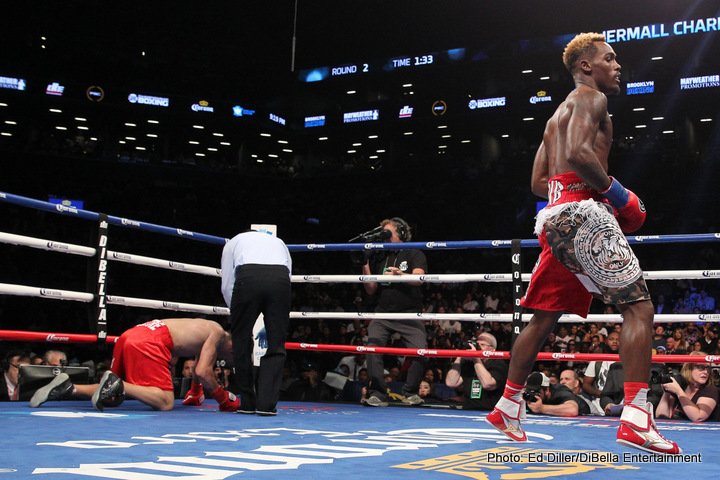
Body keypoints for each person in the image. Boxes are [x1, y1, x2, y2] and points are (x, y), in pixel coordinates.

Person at [486, 32, 681, 454]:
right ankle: (636, 415)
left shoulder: (555, 115)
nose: (618, 66)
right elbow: (578, 154)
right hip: (582, 214)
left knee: (544, 317)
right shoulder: (591, 99)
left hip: (554, 220)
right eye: (610, 59)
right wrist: (618, 195)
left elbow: (540, 183)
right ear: (586, 66)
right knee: (639, 307)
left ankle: (508, 402)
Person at [29, 318, 237, 412]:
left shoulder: (202, 329)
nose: (231, 360)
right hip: (151, 342)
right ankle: (120, 384)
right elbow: (203, 371)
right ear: (233, 345)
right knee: (165, 402)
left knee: (112, 392)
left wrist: (194, 393)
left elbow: (199, 366)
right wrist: (224, 399)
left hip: (131, 335)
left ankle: (68, 387)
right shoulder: (217, 333)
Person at [221, 229, 292, 416]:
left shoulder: (233, 241)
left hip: (248, 277)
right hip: (280, 279)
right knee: (276, 343)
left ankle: (247, 402)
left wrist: (235, 311)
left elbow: (227, 282)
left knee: (241, 340)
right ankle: (267, 405)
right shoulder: (279, 242)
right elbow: (288, 274)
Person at [359, 217, 428, 407]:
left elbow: (419, 279)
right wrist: (364, 263)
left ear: (402, 234)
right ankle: (378, 393)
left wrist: (400, 276)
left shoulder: (414, 252)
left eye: (389, 234)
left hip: (409, 313)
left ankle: (410, 393)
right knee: (372, 348)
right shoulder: (380, 255)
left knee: (420, 351)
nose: (385, 238)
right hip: (383, 313)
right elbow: (371, 288)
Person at [445, 332, 507, 410]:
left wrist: (475, 358)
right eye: (477, 344)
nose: (478, 347)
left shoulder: (498, 363)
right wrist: (460, 356)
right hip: (468, 411)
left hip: (490, 411)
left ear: (492, 350)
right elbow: (451, 383)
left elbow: (488, 384)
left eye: (482, 345)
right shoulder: (469, 363)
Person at [656, 352, 718, 422]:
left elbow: (698, 417)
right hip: (676, 430)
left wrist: (679, 392)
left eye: (708, 368)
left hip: (699, 432)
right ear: (689, 368)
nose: (706, 372)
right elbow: (661, 416)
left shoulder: (710, 389)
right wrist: (666, 391)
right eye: (701, 367)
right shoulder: (682, 385)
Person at [582, 331, 620, 415]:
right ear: (606, 341)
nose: (615, 341)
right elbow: (586, 384)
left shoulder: (628, 361)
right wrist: (599, 393)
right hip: (599, 405)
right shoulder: (597, 361)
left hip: (622, 402)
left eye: (618, 339)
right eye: (611, 339)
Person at [525, 370, 591, 417]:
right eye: (530, 390)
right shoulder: (528, 396)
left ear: (547, 390)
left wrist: (542, 408)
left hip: (584, 417)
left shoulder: (560, 391)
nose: (533, 394)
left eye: (536, 391)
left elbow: (572, 410)